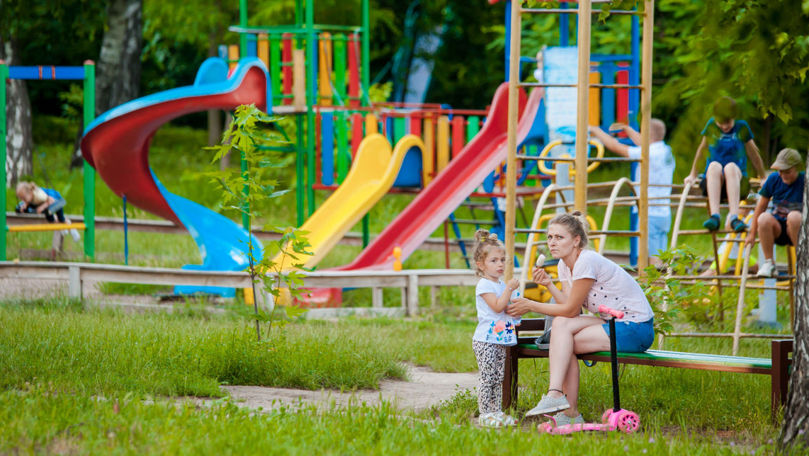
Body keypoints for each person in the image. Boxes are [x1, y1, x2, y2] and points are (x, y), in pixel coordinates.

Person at [507, 212, 654, 425]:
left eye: (559, 237)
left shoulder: (587, 260)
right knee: (562, 332)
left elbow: (570, 309)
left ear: (576, 240)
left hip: (635, 327)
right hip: (613, 323)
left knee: (564, 343)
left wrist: (529, 304)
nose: (552, 243)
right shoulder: (563, 265)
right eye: (549, 237)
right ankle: (562, 403)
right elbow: (571, 310)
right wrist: (549, 284)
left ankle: (565, 406)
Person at [589, 119, 675, 266]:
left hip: (650, 212)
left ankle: (655, 287)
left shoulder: (649, 154)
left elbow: (615, 147)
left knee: (653, 257)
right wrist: (628, 130)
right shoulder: (666, 151)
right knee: (662, 254)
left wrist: (595, 130)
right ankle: (663, 285)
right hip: (663, 211)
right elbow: (645, 142)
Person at [684, 96, 766, 232]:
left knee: (730, 167)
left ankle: (734, 217)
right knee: (714, 165)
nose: (724, 126)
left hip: (737, 183)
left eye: (727, 122)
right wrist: (692, 174)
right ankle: (714, 216)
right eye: (720, 123)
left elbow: (754, 153)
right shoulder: (711, 125)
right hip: (714, 183)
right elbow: (702, 150)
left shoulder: (741, 127)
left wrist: (762, 176)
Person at [471, 229, 520, 428]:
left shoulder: (500, 285)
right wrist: (509, 289)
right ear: (481, 264)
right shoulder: (484, 285)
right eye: (494, 261)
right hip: (486, 340)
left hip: (500, 338)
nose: (500, 264)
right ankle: (485, 413)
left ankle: (496, 411)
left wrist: (516, 311)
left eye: (502, 260)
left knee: (499, 377)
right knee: (488, 377)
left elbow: (506, 310)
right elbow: (498, 306)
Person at [745, 148, 805, 277]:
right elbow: (760, 207)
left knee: (794, 217)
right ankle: (769, 263)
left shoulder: (805, 181)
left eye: (787, 172)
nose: (783, 175)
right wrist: (752, 234)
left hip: (799, 229)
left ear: (797, 168)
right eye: (780, 171)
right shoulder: (773, 179)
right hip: (778, 229)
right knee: (763, 218)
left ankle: (802, 261)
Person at [15, 181, 80, 242]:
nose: (23, 201)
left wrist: (42, 207)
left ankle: (71, 227)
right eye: (21, 199)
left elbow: (51, 200)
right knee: (51, 221)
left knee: (61, 219)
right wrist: (25, 206)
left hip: (56, 199)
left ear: (30, 192)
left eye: (24, 198)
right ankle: (63, 226)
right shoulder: (29, 196)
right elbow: (27, 203)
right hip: (46, 203)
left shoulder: (39, 195)